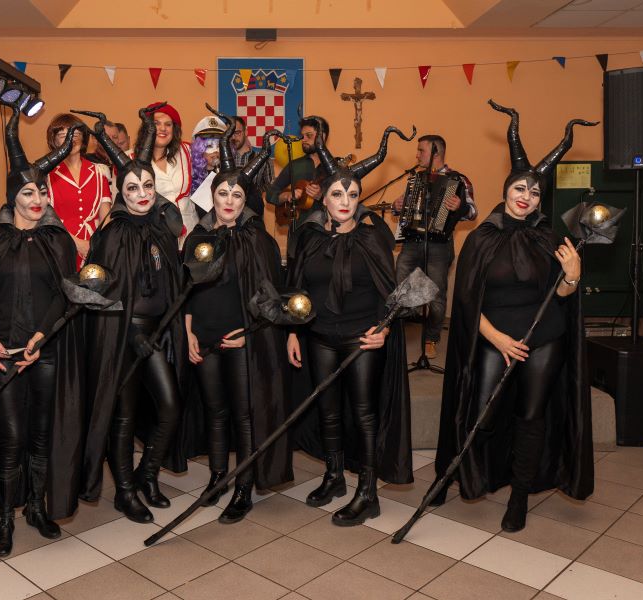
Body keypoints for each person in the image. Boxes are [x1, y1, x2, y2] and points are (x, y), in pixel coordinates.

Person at [433, 99, 596, 533]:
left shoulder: (548, 236)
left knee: (531, 414)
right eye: (520, 189)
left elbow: (560, 296)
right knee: (481, 413)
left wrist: (573, 276)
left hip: (544, 338)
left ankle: (519, 495)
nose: (526, 197)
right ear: (506, 190)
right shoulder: (482, 237)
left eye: (535, 192)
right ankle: (458, 472)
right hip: (495, 337)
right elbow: (467, 302)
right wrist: (498, 339)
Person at [0, 106, 83, 557]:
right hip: (3, 354)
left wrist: (41, 335)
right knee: (10, 435)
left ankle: (36, 506)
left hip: (45, 350)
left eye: (43, 191)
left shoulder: (58, 239)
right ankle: (4, 517)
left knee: (40, 433)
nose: (38, 199)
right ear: (13, 195)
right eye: (29, 191)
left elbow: (64, 293)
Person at [287, 119, 415, 526]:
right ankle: (334, 476)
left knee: (363, 414)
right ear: (324, 198)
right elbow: (299, 287)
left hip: (362, 338)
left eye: (353, 194)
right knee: (328, 411)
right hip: (320, 336)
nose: (345, 200)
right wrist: (294, 331)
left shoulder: (372, 236)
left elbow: (389, 291)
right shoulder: (309, 236)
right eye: (337, 193)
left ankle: (368, 492)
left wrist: (385, 328)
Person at [77, 104, 186, 524]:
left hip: (158, 331)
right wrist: (131, 335)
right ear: (121, 192)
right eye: (133, 187)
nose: (142, 193)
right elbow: (104, 295)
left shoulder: (161, 227)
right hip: (123, 334)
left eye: (148, 186)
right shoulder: (113, 234)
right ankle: (125, 490)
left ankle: (147, 474)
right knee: (122, 415)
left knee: (170, 405)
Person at [183, 111, 291, 524]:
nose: (229, 201)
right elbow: (187, 290)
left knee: (244, 414)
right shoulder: (198, 236)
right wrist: (189, 332)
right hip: (205, 335)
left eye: (237, 196)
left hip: (241, 336)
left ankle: (244, 485)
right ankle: (217, 478)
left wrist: (252, 333)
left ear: (246, 201)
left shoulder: (257, 239)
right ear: (213, 195)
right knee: (216, 412)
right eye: (223, 193)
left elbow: (269, 296)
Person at [391, 135, 476, 360]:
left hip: (439, 245)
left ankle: (431, 338)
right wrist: (397, 206)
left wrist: (460, 206)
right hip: (411, 242)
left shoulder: (457, 179)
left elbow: (473, 212)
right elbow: (405, 207)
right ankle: (400, 330)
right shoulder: (416, 178)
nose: (417, 155)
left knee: (436, 299)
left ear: (436, 152)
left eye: (421, 150)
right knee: (401, 291)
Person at [46, 113, 112, 269]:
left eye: (75, 134)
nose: (71, 139)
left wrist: (98, 244)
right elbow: (46, 218)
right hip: (60, 246)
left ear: (83, 138)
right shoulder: (47, 175)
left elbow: (106, 217)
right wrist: (77, 243)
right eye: (63, 135)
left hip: (95, 247)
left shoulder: (98, 171)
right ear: (54, 141)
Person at [134, 102, 195, 245]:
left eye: (168, 124)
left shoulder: (187, 151)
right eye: (156, 123)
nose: (163, 128)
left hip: (191, 232)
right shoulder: (131, 159)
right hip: (155, 236)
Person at [266, 116, 329, 219]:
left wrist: (322, 196)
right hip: (299, 226)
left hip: (327, 226)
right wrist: (287, 195)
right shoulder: (295, 165)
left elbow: (346, 199)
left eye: (309, 135)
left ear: (323, 136)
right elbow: (270, 194)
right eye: (302, 136)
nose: (303, 140)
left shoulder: (334, 167)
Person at [231, 115, 272, 216]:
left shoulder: (263, 159)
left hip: (253, 217)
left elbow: (271, 188)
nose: (233, 137)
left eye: (237, 133)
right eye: (229, 134)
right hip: (226, 217)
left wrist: (256, 192)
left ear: (246, 132)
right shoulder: (221, 159)